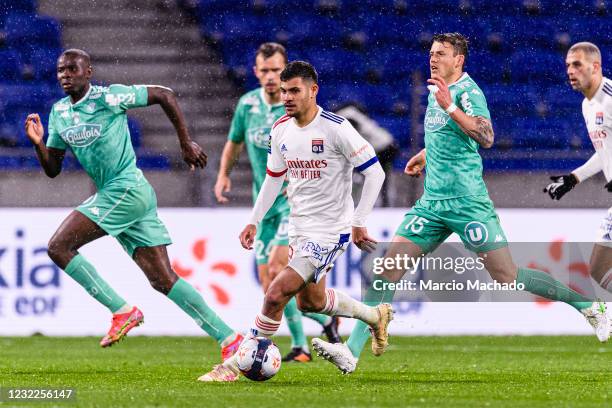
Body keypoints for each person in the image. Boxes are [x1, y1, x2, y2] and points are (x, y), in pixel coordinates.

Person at [312, 33, 610, 375]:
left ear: (459, 60)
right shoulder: (436, 89)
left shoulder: (467, 92)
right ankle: (351, 351)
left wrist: (450, 106)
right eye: (431, 52)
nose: (433, 58)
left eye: (441, 53)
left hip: (468, 204)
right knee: (385, 269)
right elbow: (449, 135)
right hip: (432, 204)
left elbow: (485, 136)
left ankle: (588, 306)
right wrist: (426, 155)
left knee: (507, 276)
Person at [24, 49, 242, 361]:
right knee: (163, 280)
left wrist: (185, 142)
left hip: (125, 188)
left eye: (72, 69)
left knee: (59, 246)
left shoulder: (109, 97)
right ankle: (229, 338)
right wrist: (39, 144)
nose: (65, 75)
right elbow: (53, 168)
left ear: (89, 71)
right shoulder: (59, 112)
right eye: (60, 71)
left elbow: (164, 95)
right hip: (124, 195)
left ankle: (121, 311)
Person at [199, 61, 392, 382]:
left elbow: (375, 172)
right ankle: (375, 315)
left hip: (331, 231)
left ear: (313, 91)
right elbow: (274, 179)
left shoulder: (336, 127)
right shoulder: (281, 129)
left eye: (294, 90)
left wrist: (359, 220)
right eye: (284, 91)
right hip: (299, 229)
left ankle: (232, 366)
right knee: (310, 302)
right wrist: (254, 220)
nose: (287, 97)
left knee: (276, 293)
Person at [214, 43, 341, 362]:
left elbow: (321, 150)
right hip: (265, 205)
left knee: (277, 268)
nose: (271, 77)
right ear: (256, 72)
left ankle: (300, 345)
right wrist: (223, 175)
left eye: (276, 71)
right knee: (269, 282)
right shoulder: (247, 106)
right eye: (265, 71)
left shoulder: (294, 109)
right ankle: (321, 325)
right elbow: (234, 143)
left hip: (294, 207)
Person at [544, 42, 612, 296]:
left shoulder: (609, 97)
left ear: (595, 67)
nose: (570, 71)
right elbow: (605, 150)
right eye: (568, 66)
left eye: (577, 65)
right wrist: (574, 178)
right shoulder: (588, 105)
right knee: (598, 270)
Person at [335, 104, 399, 207]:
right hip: (384, 144)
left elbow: (352, 137)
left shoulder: (345, 117)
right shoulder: (349, 113)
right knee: (376, 178)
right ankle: (381, 203)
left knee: (377, 177)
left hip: (383, 148)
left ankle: (382, 204)